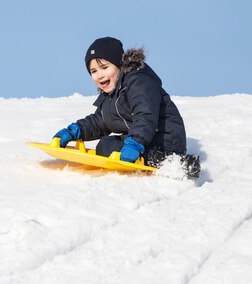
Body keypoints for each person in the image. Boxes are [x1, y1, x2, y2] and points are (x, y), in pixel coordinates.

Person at [54, 36, 200, 178]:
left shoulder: (139, 81)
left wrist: (135, 142)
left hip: (164, 139)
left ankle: (171, 162)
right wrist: (76, 131)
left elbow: (145, 115)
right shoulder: (112, 95)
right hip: (143, 140)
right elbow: (101, 120)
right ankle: (146, 154)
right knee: (105, 146)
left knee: (110, 148)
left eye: (104, 67)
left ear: (119, 65)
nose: (99, 75)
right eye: (93, 71)